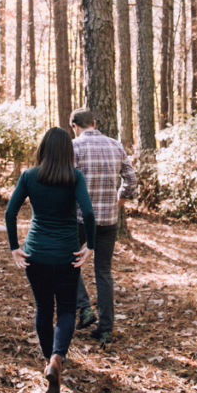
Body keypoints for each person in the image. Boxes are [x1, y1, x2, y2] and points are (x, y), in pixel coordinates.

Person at [5, 127, 95, 393]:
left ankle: (48, 361)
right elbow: (89, 213)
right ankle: (58, 358)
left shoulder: (30, 176)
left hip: (36, 255)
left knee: (44, 308)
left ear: (43, 148)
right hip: (66, 255)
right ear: (67, 152)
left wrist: (14, 248)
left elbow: (10, 213)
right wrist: (89, 246)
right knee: (67, 309)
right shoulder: (74, 177)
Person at [70, 108, 136, 344]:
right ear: (94, 123)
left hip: (79, 219)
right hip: (109, 220)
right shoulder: (115, 145)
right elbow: (131, 179)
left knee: (68, 261)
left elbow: (66, 181)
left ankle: (84, 308)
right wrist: (118, 202)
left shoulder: (74, 146)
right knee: (104, 272)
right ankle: (106, 329)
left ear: (74, 126)